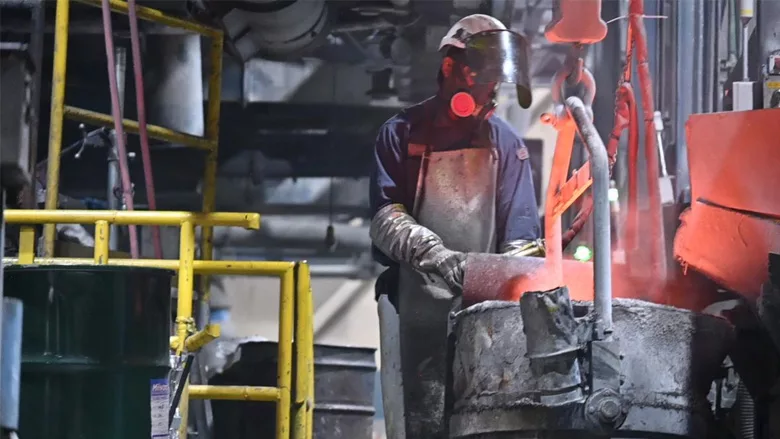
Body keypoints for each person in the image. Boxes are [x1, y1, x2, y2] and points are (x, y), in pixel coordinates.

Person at [368, 14, 542, 439]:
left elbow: (522, 243)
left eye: (495, 88)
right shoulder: (401, 134)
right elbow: (385, 215)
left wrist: (506, 288)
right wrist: (435, 255)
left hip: (485, 319)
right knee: (421, 423)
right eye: (481, 83)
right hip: (417, 309)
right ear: (449, 68)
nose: (488, 97)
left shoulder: (507, 145)